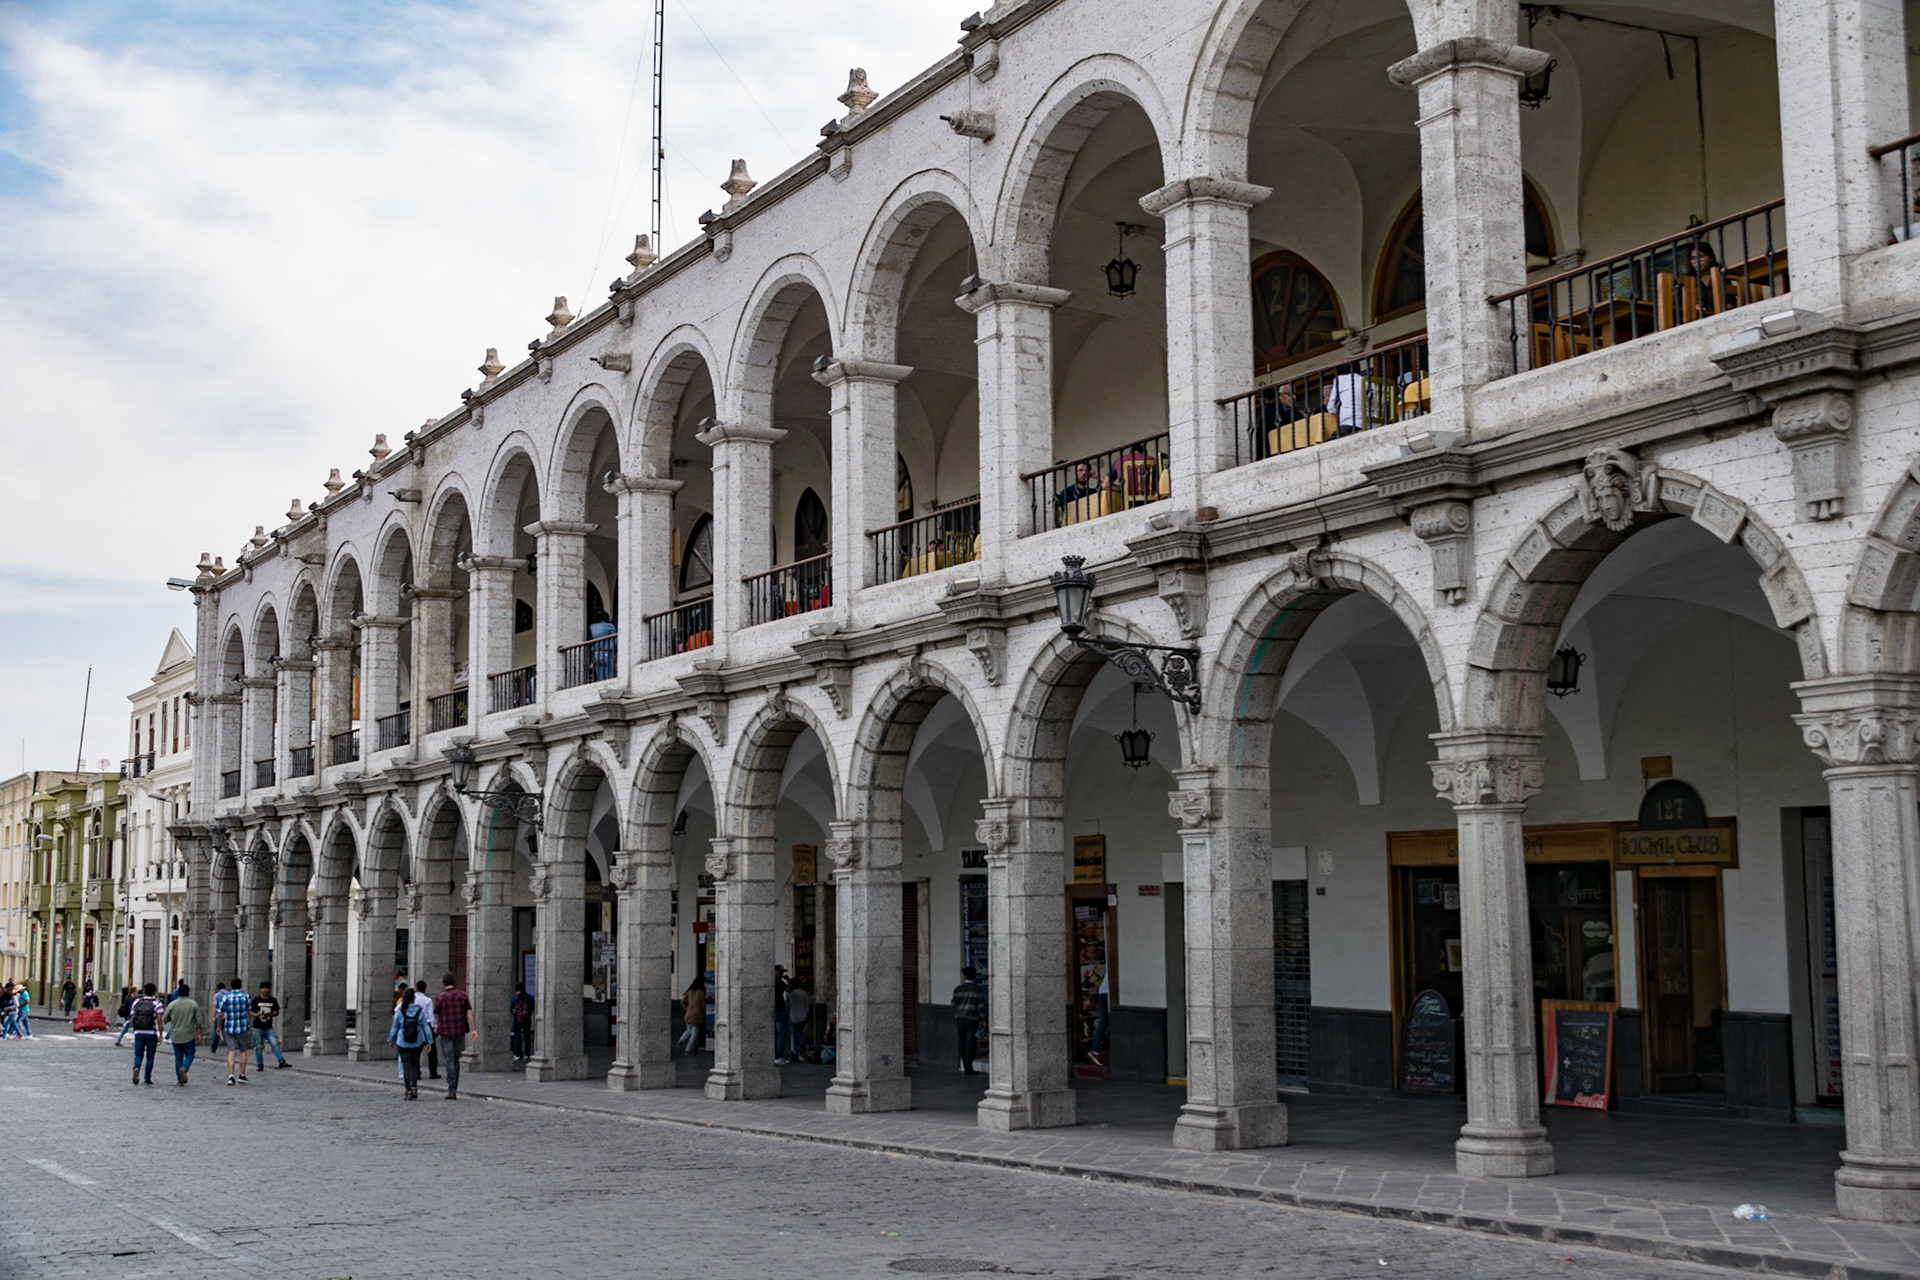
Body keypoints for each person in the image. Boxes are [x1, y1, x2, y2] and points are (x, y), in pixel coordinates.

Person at [431, 971, 475, 1101]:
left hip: (446, 1032)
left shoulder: (441, 997)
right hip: (460, 1031)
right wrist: (473, 1029)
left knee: (449, 1060)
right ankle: (454, 1086)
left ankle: (452, 1088)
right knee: (456, 1060)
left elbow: (436, 1013)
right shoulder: (462, 995)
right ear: (453, 982)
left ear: (443, 982)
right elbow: (469, 1012)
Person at [387, 979, 433, 1099]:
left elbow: (395, 1027)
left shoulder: (400, 1011)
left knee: (406, 1065)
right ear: (414, 998)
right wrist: (429, 1042)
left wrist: (391, 1040)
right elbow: (425, 1027)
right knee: (414, 1065)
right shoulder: (419, 1011)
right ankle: (414, 1088)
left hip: (403, 1042)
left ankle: (407, 1090)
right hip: (417, 1042)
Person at [213, 979, 254, 1086]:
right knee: (243, 1050)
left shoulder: (225, 997)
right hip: (242, 1026)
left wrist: (218, 1026)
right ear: (240, 985)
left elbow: (220, 1014)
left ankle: (231, 1076)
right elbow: (248, 1011)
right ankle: (242, 1074)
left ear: (231, 986)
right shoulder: (245, 996)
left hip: (229, 1027)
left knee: (231, 1051)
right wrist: (248, 1024)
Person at [162, 982, 202, 1085]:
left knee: (178, 1056)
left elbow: (165, 1018)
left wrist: (173, 1018)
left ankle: (179, 1078)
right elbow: (198, 1020)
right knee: (190, 1054)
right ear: (188, 993)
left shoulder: (172, 1004)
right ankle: (185, 1068)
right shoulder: (193, 1004)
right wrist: (198, 1033)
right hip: (189, 1034)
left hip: (176, 1034)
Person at [951, 966, 986, 1075]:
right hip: (972, 1019)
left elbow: (953, 1004)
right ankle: (969, 1066)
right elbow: (981, 1007)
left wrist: (959, 1011)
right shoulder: (978, 990)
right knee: (971, 1041)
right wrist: (984, 1019)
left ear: (965, 976)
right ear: (974, 976)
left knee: (962, 1041)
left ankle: (964, 1064)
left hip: (960, 1018)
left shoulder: (958, 989)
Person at [127, 983, 163, 1085]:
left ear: (143, 991)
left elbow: (132, 1017)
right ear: (155, 992)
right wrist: (160, 1034)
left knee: (138, 1055)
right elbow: (159, 1020)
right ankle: (147, 1078)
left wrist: (135, 1030)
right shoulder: (157, 1003)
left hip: (139, 1032)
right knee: (150, 1056)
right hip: (151, 1033)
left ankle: (136, 1067)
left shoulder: (137, 1002)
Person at [251, 981, 290, 1071]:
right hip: (257, 1027)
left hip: (268, 1027)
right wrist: (255, 1015)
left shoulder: (272, 1000)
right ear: (260, 989)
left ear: (269, 989)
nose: (265, 990)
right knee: (258, 1047)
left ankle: (281, 1061)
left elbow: (277, 1011)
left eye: (266, 988)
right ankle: (260, 1064)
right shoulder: (256, 1000)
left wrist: (271, 1014)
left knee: (274, 1044)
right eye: (263, 988)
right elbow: (250, 1011)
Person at [1322, 362, 1367, 437]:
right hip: (1372, 424)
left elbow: (1330, 407)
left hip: (1351, 423)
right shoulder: (1369, 382)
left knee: (1331, 439)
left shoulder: (1340, 380)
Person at [413, 980, 440, 1080]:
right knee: (432, 1051)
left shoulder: (413, 999)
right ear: (425, 989)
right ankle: (433, 1072)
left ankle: (417, 1072)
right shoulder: (427, 1000)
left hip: (415, 1025)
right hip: (426, 1025)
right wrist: (434, 1028)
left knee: (416, 1050)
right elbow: (431, 1016)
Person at [785, 979, 812, 1063]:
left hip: (793, 1016)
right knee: (799, 1032)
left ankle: (795, 1053)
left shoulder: (789, 994)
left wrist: (787, 1015)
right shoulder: (803, 993)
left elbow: (787, 1006)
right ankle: (802, 1048)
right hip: (803, 1016)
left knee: (794, 1034)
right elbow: (807, 1006)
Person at [678, 976, 706, 1056]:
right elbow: (703, 1005)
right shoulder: (702, 992)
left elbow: (682, 1001)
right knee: (694, 1033)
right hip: (698, 1014)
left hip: (688, 1013)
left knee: (688, 1030)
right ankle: (688, 1050)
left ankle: (681, 1041)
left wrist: (687, 1008)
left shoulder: (690, 991)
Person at [509, 985, 535, 1061]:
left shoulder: (514, 998)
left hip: (517, 1019)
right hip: (527, 1019)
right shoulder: (529, 997)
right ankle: (527, 1054)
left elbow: (511, 1008)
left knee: (517, 1036)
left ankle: (517, 1053)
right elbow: (533, 1007)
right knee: (527, 1036)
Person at [773, 966, 792, 1065]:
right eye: (780, 972)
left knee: (776, 1034)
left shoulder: (771, 982)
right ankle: (778, 1056)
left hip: (773, 1010)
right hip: (779, 1010)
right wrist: (788, 980)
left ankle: (775, 1055)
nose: (781, 974)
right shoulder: (778, 982)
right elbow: (789, 990)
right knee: (782, 1033)